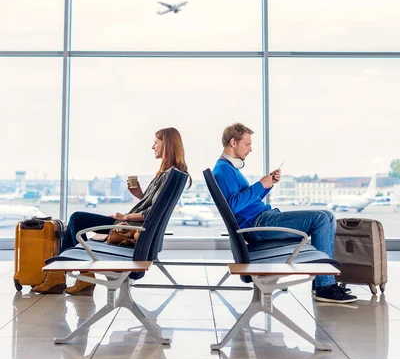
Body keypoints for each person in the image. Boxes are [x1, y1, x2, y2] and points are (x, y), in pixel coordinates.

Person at [33, 127, 190, 296]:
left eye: (156, 143)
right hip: (132, 227)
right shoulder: (171, 175)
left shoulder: (167, 176)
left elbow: (151, 214)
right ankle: (78, 277)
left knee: (77, 219)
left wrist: (125, 217)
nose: (153, 147)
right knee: (77, 220)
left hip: (129, 228)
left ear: (167, 144)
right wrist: (139, 195)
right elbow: (154, 208)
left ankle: (64, 277)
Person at [213, 122, 357, 304]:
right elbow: (233, 206)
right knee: (321, 219)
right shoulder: (223, 170)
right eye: (247, 144)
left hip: (262, 219)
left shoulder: (228, 168)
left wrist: (267, 184)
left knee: (326, 215)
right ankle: (324, 286)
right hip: (259, 224)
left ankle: (323, 283)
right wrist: (260, 185)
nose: (250, 149)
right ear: (234, 142)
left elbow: (246, 201)